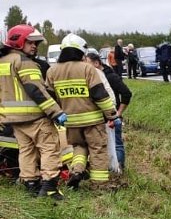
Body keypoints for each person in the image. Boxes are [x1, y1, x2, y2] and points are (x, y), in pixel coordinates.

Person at [0, 25, 67, 199]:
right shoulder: (25, 62)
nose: (35, 46)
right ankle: (49, 187)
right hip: (34, 116)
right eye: (31, 42)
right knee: (49, 149)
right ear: (19, 41)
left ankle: (30, 182)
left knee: (26, 150)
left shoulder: (3, 61)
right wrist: (56, 112)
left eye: (36, 43)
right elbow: (36, 90)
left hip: (14, 118)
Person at [47, 34, 119, 190]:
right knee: (97, 149)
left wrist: (57, 115)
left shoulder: (52, 71)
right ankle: (100, 184)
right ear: (81, 51)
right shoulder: (87, 68)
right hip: (92, 120)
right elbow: (100, 95)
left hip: (70, 121)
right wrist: (112, 114)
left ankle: (77, 171)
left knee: (79, 147)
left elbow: (51, 99)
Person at [85, 48, 131, 172]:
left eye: (87, 63)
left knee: (116, 145)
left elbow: (127, 93)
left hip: (111, 117)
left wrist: (118, 114)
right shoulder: (93, 76)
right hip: (106, 117)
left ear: (96, 63)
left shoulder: (109, 76)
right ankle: (114, 169)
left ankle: (118, 171)